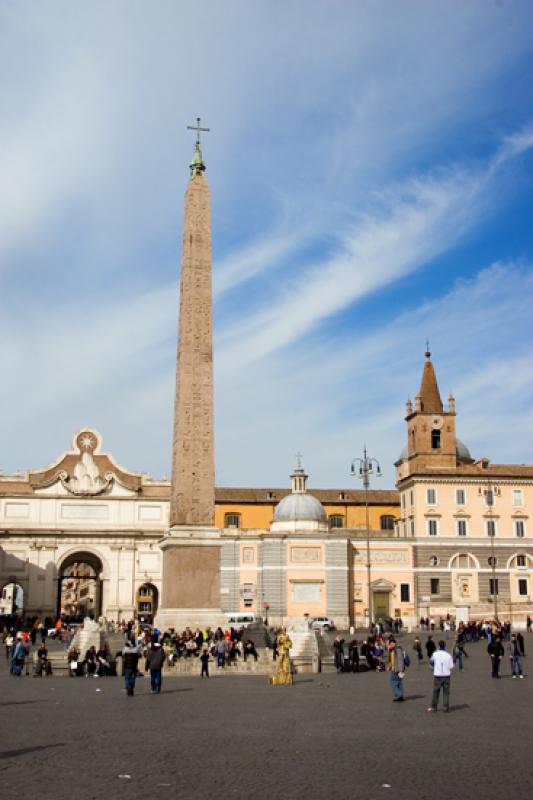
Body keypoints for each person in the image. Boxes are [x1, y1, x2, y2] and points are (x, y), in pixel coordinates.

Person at [428, 640, 454, 713]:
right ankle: (445, 707)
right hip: (446, 675)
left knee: (435, 691)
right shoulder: (448, 655)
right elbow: (451, 666)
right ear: (444, 646)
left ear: (438, 646)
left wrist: (434, 666)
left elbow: (431, 662)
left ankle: (433, 707)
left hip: (437, 675)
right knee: (446, 692)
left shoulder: (435, 654)